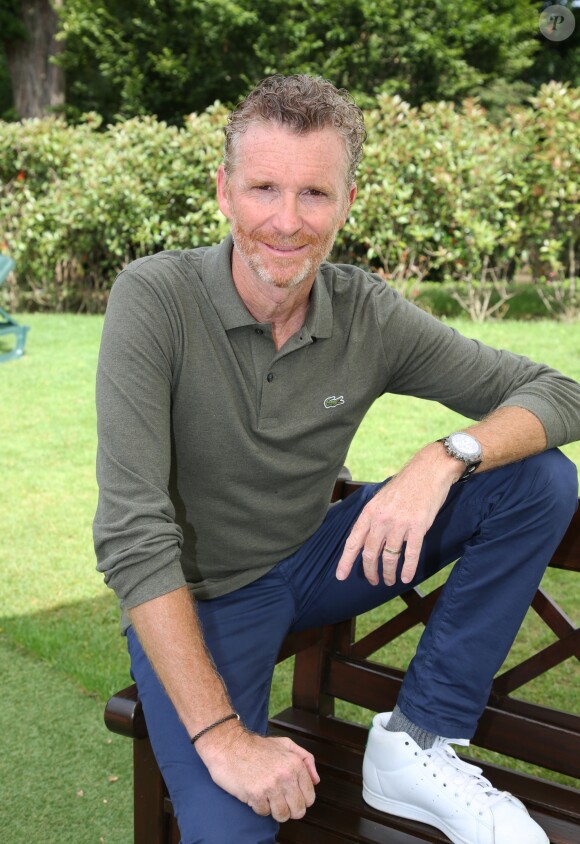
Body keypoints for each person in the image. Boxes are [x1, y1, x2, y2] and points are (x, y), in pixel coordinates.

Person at [94, 74, 580, 844]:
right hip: (209, 601)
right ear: (223, 192)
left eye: (315, 194)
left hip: (323, 558)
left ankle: (416, 740)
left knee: (537, 478)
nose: (286, 222)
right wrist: (224, 738)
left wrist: (444, 456)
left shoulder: (366, 311)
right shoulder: (154, 300)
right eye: (263, 188)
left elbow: (559, 392)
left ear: (347, 203)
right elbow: (132, 535)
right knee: (233, 830)